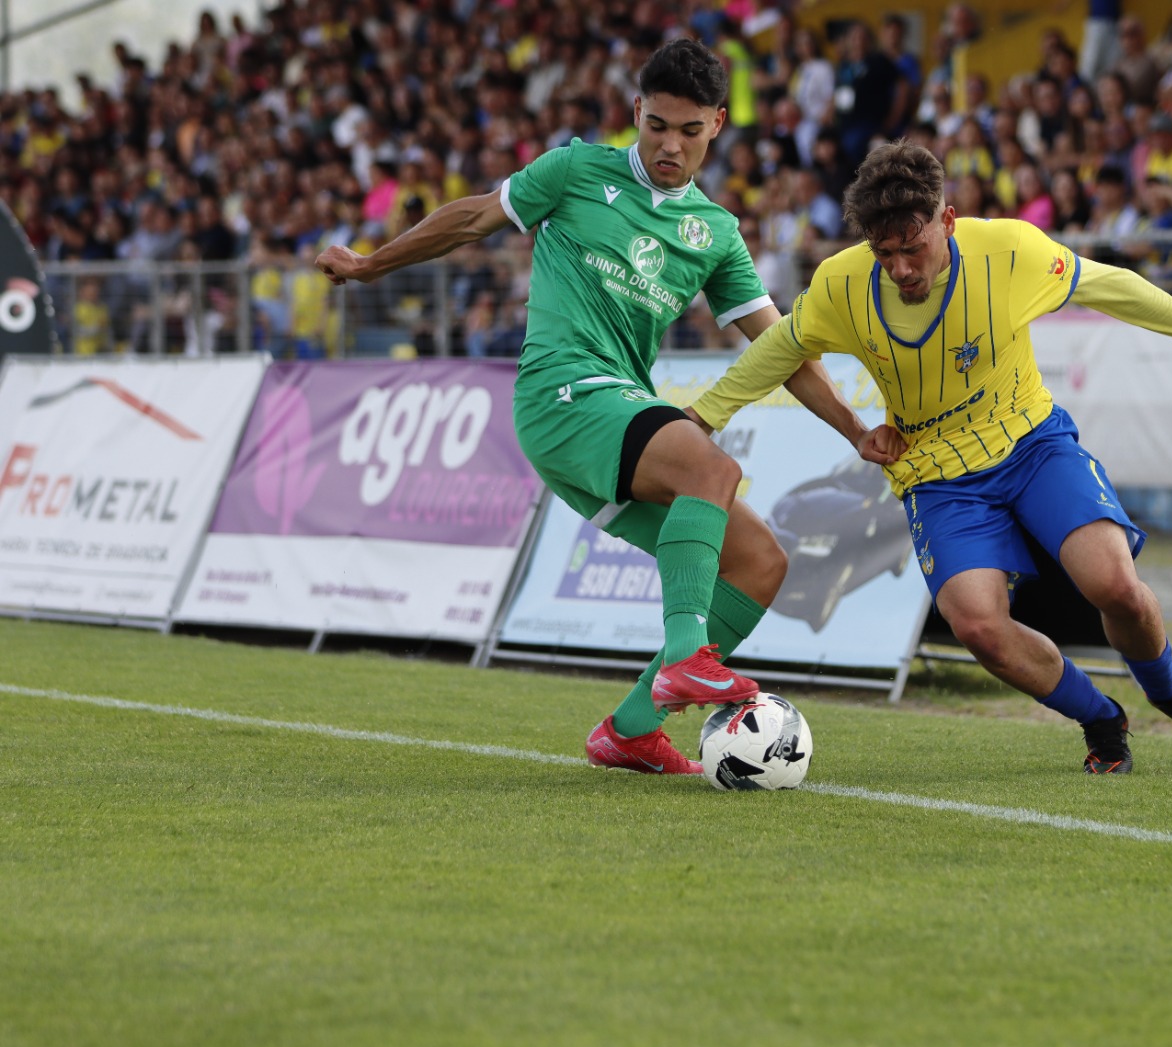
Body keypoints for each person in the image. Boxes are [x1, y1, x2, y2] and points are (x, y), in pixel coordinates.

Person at [317, 40, 880, 776]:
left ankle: (631, 729)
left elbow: (781, 350)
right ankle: (687, 660)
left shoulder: (715, 234)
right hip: (561, 395)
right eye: (656, 126)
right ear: (635, 112)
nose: (669, 145)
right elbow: (471, 219)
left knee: (760, 562)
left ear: (717, 125)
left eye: (688, 131)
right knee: (710, 469)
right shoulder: (577, 169)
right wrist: (368, 264)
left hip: (609, 423)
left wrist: (859, 431)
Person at [686, 141, 1172, 774]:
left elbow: (1112, 286)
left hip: (1031, 441)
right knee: (975, 624)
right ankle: (1102, 721)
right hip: (937, 473)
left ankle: (1171, 692)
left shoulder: (1010, 251)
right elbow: (780, 349)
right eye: (885, 254)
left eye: (914, 248)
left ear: (947, 219)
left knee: (1113, 585)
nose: (902, 268)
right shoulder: (842, 283)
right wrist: (708, 416)